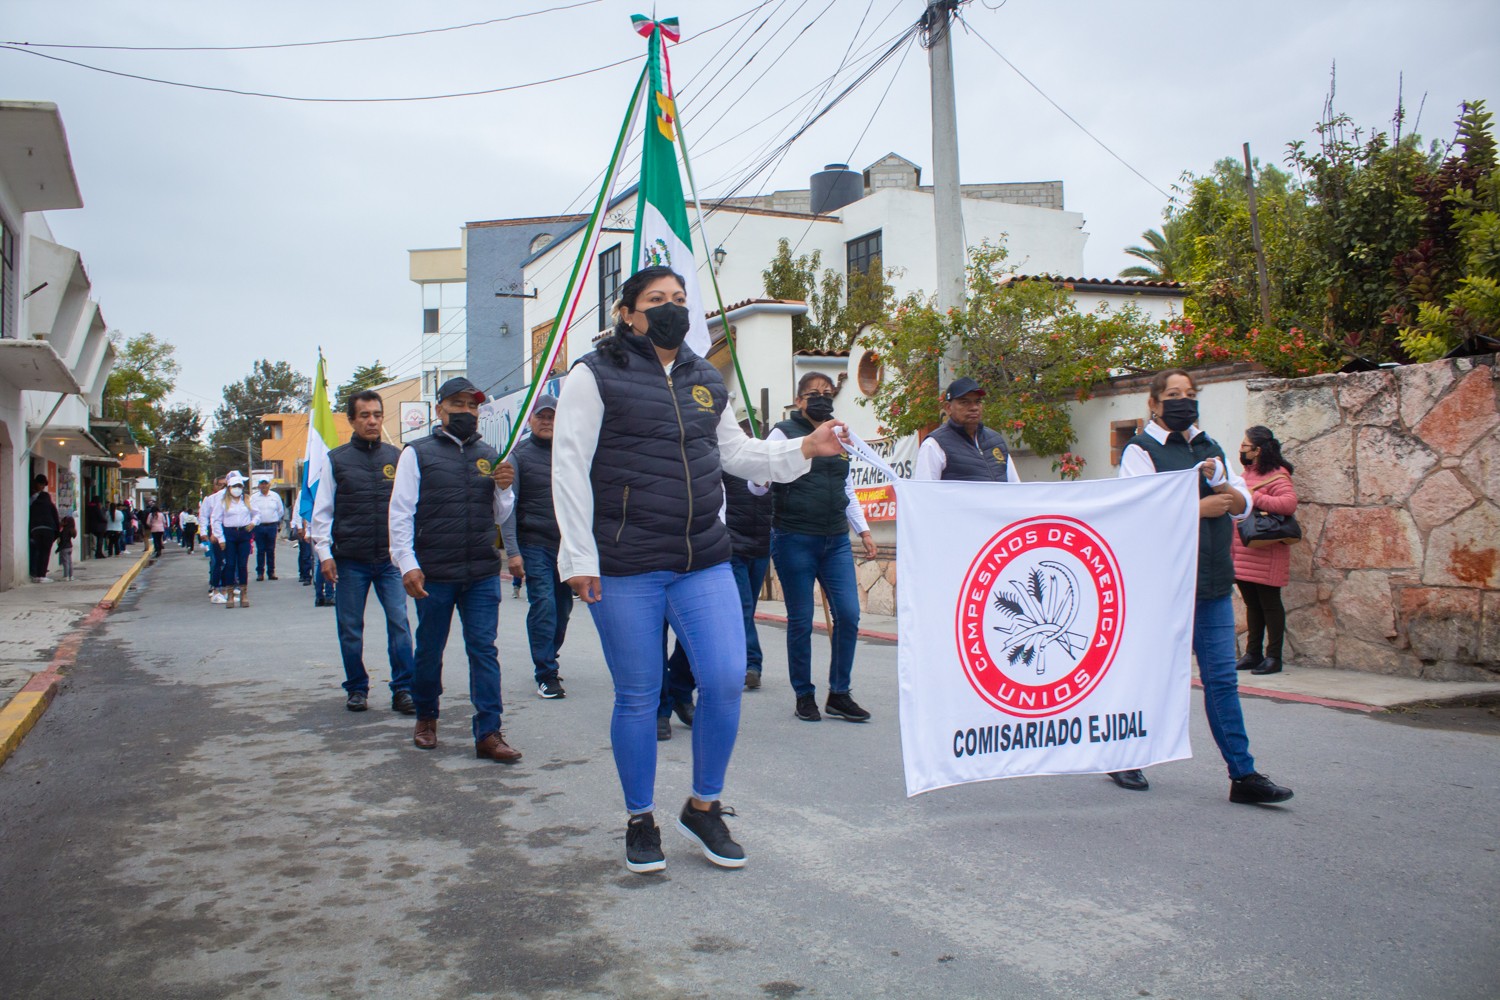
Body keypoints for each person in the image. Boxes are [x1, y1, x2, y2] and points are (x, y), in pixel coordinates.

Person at [552, 265, 850, 875]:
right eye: (657, 300)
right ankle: (640, 818)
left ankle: (703, 805)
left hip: (702, 557)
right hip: (626, 562)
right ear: (627, 313)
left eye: (680, 299)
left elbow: (735, 451)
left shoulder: (703, 376)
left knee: (722, 678)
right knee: (638, 695)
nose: (671, 308)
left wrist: (802, 448)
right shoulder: (594, 373)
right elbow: (570, 465)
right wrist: (578, 557)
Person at [1111, 369, 1293, 805]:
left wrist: (1223, 492)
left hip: (1211, 583)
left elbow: (1242, 502)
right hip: (1164, 588)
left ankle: (1243, 775)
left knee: (1222, 681)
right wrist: (1200, 507)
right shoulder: (1141, 450)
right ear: (1154, 403)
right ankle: (1124, 756)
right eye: (1173, 394)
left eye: (1189, 394)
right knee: (1149, 676)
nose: (1183, 402)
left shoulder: (1209, 447)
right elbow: (1138, 512)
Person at [389, 377, 521, 763]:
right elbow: (400, 513)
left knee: (484, 650)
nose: (466, 412)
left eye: (472, 406)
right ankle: (427, 717)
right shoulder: (417, 453)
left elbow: (499, 515)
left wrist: (504, 488)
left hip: (480, 571)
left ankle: (489, 732)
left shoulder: (490, 453)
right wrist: (407, 563)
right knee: (430, 648)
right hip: (434, 572)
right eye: (458, 405)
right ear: (439, 410)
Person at [755, 372, 877, 724]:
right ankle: (804, 694)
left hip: (836, 539)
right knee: (800, 620)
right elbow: (756, 487)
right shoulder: (782, 432)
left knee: (849, 615)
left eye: (827, 393)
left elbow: (847, 488)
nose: (821, 398)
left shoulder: (840, 434)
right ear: (798, 401)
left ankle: (839, 693)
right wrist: (764, 476)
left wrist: (864, 531)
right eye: (812, 394)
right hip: (794, 537)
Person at [312, 389, 417, 715]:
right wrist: (324, 553)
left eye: (376, 415)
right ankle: (356, 688)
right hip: (350, 560)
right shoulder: (336, 460)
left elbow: (409, 509)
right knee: (350, 627)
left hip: (389, 561)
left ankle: (403, 689)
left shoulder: (397, 458)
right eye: (365, 416)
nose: (372, 421)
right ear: (352, 420)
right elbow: (322, 512)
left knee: (400, 623)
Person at [499, 395, 574, 700]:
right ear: (530, 420)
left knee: (564, 610)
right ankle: (546, 672)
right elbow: (507, 507)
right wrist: (513, 551)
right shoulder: (518, 456)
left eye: (552, 417)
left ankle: (549, 655)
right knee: (543, 605)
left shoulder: (570, 453)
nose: (547, 422)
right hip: (535, 544)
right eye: (541, 417)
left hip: (566, 548)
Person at [1233, 426, 1298, 676]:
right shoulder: (1247, 473)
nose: (1241, 449)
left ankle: (1274, 657)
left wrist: (1255, 497)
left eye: (1245, 446)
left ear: (1258, 450)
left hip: (1267, 551)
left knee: (1270, 604)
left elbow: (1288, 504)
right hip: (1245, 550)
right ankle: (1253, 653)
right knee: (1252, 604)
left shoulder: (1278, 475)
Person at [913, 377, 1022, 484]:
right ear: (948, 408)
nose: (974, 407)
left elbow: (1015, 489)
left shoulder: (996, 441)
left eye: (978, 402)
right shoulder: (934, 444)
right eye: (965, 402)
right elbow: (925, 494)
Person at [723, 461, 772, 690]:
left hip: (761, 547)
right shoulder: (726, 468)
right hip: (733, 547)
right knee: (742, 607)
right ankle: (752, 664)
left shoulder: (766, 470)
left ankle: (733, 659)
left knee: (747, 609)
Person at [212, 472, 257, 609]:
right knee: (230, 564)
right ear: (229, 487)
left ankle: (244, 593)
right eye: (234, 486)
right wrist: (220, 538)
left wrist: (253, 522)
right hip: (229, 534)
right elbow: (216, 520)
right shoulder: (223, 502)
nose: (237, 489)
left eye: (239, 486)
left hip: (244, 533)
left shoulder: (247, 500)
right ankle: (230, 594)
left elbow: (257, 514)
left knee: (242, 565)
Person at [249, 476, 285, 581]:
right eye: (262, 483)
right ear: (259, 485)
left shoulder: (275, 496)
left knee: (271, 550)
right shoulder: (254, 497)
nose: (264, 486)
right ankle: (260, 572)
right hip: (259, 526)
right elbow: (251, 512)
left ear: (269, 485)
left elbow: (280, 511)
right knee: (260, 550)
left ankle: (271, 572)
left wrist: (275, 520)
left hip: (271, 526)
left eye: (266, 483)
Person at [200, 477, 228, 602]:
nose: (223, 487)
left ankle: (228, 587)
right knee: (216, 561)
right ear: (215, 486)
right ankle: (215, 586)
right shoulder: (210, 500)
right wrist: (204, 532)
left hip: (228, 531)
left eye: (225, 485)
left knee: (229, 561)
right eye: (220, 485)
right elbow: (204, 516)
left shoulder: (230, 499)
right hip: (215, 533)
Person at [29, 475, 60, 583]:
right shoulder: (50, 504)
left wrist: (31, 531)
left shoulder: (33, 503)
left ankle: (36, 575)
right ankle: (42, 575)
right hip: (48, 530)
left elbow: (30, 516)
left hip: (36, 530)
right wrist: (57, 534)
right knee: (45, 552)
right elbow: (56, 518)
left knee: (38, 551)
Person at [57, 515, 76, 581]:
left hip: (64, 548)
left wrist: (58, 549)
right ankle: (71, 576)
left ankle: (66, 576)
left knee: (65, 562)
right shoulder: (71, 530)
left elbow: (63, 541)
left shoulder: (64, 530)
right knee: (70, 562)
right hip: (70, 547)